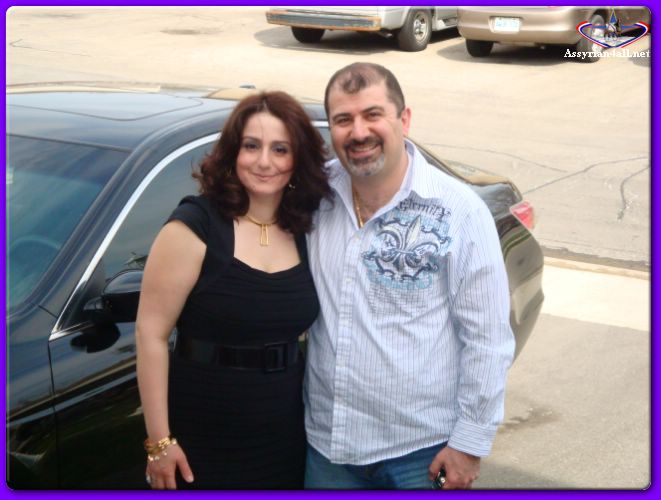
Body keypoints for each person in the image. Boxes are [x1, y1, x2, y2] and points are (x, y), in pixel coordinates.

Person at [304, 62, 515, 490]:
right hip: (328, 450)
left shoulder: (459, 211)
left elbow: (488, 339)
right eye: (343, 119)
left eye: (373, 115)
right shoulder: (315, 198)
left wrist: (469, 444)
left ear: (404, 119)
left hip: (420, 455)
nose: (358, 132)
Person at [135, 91, 330, 489]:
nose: (264, 162)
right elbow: (150, 334)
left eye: (280, 149)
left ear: (298, 160)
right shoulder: (194, 226)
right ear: (232, 152)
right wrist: (160, 442)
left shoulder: (306, 229)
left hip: (285, 433)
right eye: (251, 146)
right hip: (203, 432)